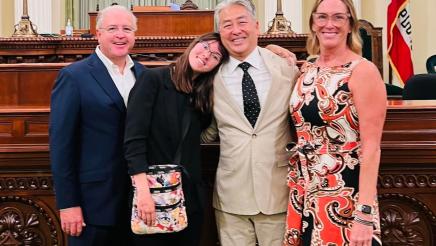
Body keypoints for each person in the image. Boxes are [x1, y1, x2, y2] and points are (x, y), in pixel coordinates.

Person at [284, 0, 386, 245]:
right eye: (322, 17)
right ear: (313, 23)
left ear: (350, 24)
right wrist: (276, 49)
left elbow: (371, 148)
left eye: (338, 17)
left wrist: (364, 214)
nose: (329, 24)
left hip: (344, 190)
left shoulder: (363, 71)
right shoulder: (308, 68)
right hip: (305, 186)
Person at [201, 0, 299, 245]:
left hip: (277, 192)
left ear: (256, 25)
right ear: (219, 32)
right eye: (227, 25)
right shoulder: (209, 76)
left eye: (242, 22)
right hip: (231, 196)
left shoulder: (287, 69)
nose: (236, 30)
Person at [49, 5, 145, 246]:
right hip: (91, 207)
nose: (120, 35)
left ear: (135, 35)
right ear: (98, 33)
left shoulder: (145, 76)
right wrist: (68, 203)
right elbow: (62, 146)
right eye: (112, 28)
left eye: (127, 29)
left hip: (137, 205)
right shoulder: (74, 76)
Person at [123, 32, 229, 246]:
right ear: (194, 44)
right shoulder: (153, 79)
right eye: (206, 46)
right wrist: (143, 193)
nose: (207, 55)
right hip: (153, 193)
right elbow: (134, 140)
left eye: (216, 56)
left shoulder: (202, 94)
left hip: (189, 196)